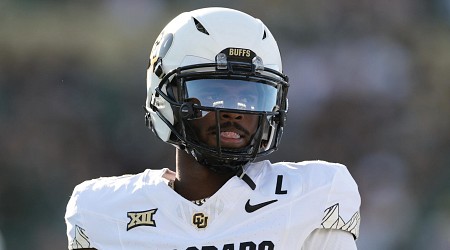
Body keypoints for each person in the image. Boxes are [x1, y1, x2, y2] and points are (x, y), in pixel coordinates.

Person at [65, 7, 361, 249]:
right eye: (213, 94)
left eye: (250, 97)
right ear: (166, 98)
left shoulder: (316, 195)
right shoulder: (100, 212)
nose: (234, 112)